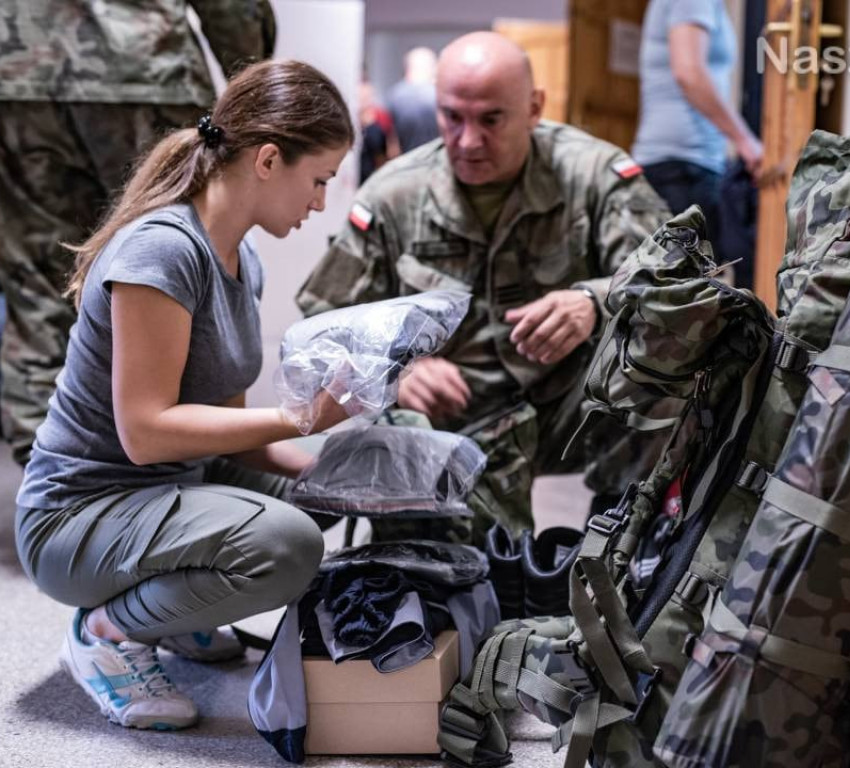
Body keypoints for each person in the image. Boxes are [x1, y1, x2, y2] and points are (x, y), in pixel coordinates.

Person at [14, 59, 354, 731]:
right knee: (285, 545)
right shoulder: (163, 251)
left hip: (161, 489)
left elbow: (226, 425)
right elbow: (147, 431)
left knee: (319, 500)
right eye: (318, 180)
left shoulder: (239, 261)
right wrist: (299, 417)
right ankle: (110, 633)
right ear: (266, 160)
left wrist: (328, 474)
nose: (319, 203)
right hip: (76, 517)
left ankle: (170, 610)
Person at [297, 32, 669, 537]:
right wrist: (396, 374)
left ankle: (621, 556)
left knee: (664, 381)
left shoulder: (593, 174)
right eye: (452, 117)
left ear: (534, 107)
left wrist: (593, 301)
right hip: (453, 415)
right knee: (470, 571)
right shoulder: (394, 195)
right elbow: (323, 324)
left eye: (491, 119)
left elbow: (676, 277)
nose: (468, 141)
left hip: (564, 403)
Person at [0, 0, 276, 466]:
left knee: (39, 284)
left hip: (16, 75)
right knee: (179, 258)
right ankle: (179, 460)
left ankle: (54, 475)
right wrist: (253, 97)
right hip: (143, 66)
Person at [631, 0, 762, 251]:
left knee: (684, 280)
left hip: (683, 163)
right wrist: (745, 141)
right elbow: (689, 72)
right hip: (681, 166)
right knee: (686, 283)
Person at [385, 46, 441, 153]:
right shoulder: (439, 95)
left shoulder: (395, 94)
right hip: (436, 160)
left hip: (406, 162)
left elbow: (391, 142)